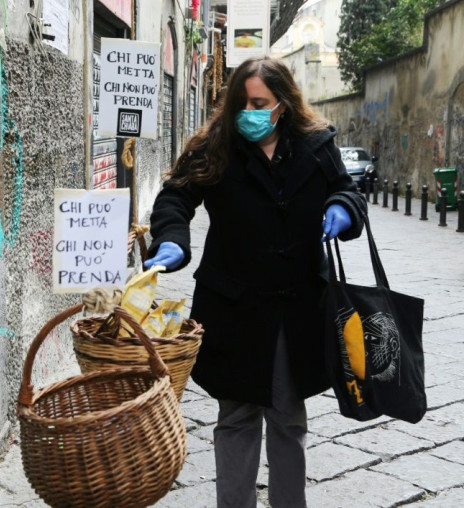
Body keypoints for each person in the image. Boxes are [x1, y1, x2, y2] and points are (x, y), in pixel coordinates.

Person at [143, 57, 367, 508]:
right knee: (237, 418)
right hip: (233, 308)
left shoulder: (315, 146)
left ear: (283, 103)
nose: (249, 110)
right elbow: (175, 197)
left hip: (297, 308)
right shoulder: (214, 146)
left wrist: (343, 209)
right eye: (242, 101)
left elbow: (347, 189)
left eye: (260, 102)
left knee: (288, 418)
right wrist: (171, 240)